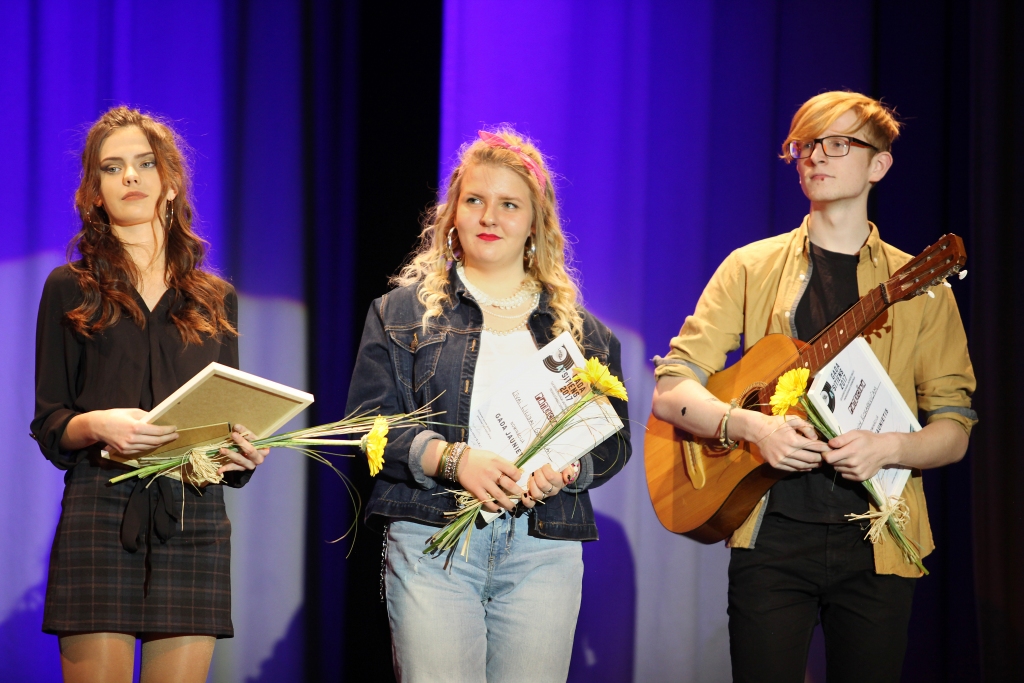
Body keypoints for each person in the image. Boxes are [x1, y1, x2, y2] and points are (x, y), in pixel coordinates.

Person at [651, 91, 976, 683]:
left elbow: (954, 430)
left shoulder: (925, 290)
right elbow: (673, 386)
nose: (815, 157)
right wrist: (747, 425)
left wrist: (889, 448)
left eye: (837, 144)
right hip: (769, 534)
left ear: (878, 165)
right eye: (804, 144)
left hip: (879, 539)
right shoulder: (750, 267)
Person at [346, 128, 631, 682]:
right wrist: (454, 460)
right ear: (452, 212)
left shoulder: (581, 333)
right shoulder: (401, 313)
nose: (489, 217)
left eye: (509, 204)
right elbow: (367, 424)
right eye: (474, 200)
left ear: (535, 222)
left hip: (542, 548)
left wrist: (570, 470)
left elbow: (613, 442)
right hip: (433, 541)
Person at [31, 106, 268, 683]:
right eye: (112, 168)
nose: (130, 177)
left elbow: (229, 416)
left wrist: (241, 454)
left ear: (170, 182)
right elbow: (49, 422)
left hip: (193, 511)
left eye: (143, 164)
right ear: (94, 190)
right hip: (99, 505)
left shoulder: (215, 297)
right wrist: (99, 424)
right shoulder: (70, 287)